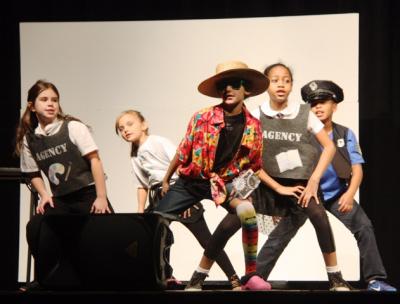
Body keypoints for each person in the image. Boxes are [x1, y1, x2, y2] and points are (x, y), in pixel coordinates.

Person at [154, 60, 271, 291]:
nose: (227, 89)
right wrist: (167, 179)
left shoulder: (253, 126)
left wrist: (245, 193)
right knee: (155, 220)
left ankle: (249, 275)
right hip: (191, 182)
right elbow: (183, 149)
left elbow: (254, 166)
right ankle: (157, 273)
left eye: (233, 84)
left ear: (245, 90)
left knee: (247, 213)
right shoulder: (202, 117)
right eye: (223, 86)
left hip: (223, 184)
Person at [251, 63, 353, 291]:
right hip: (267, 182)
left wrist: (314, 180)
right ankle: (238, 278)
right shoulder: (256, 114)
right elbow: (247, 155)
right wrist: (275, 186)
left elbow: (329, 148)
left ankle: (335, 277)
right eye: (275, 80)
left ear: (291, 85)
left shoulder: (303, 113)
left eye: (286, 80)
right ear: (267, 84)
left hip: (299, 184)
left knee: (319, 217)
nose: (281, 84)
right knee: (233, 219)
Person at [115, 109, 242, 290]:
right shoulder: (134, 154)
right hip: (159, 196)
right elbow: (142, 184)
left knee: (205, 240)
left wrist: (186, 198)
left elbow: (182, 160)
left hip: (179, 190)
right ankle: (166, 275)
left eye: (129, 124)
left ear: (144, 125)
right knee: (153, 237)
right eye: (121, 129)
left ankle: (233, 278)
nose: (125, 130)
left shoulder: (157, 141)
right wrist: (140, 210)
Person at [15, 80, 113, 291]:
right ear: (32, 105)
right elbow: (33, 173)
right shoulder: (30, 139)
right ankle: (45, 281)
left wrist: (101, 196)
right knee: (36, 227)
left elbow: (95, 160)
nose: (50, 104)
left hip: (88, 193)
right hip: (61, 199)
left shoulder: (72, 127)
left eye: (54, 100)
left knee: (106, 237)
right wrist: (44, 194)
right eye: (44, 100)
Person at [301, 80, 396, 292]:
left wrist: (350, 193)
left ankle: (375, 280)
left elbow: (358, 169)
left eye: (323, 102)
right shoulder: (304, 134)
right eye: (313, 103)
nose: (317, 107)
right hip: (308, 195)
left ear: (334, 106)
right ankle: (256, 277)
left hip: (336, 195)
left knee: (364, 226)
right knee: (281, 234)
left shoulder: (345, 134)